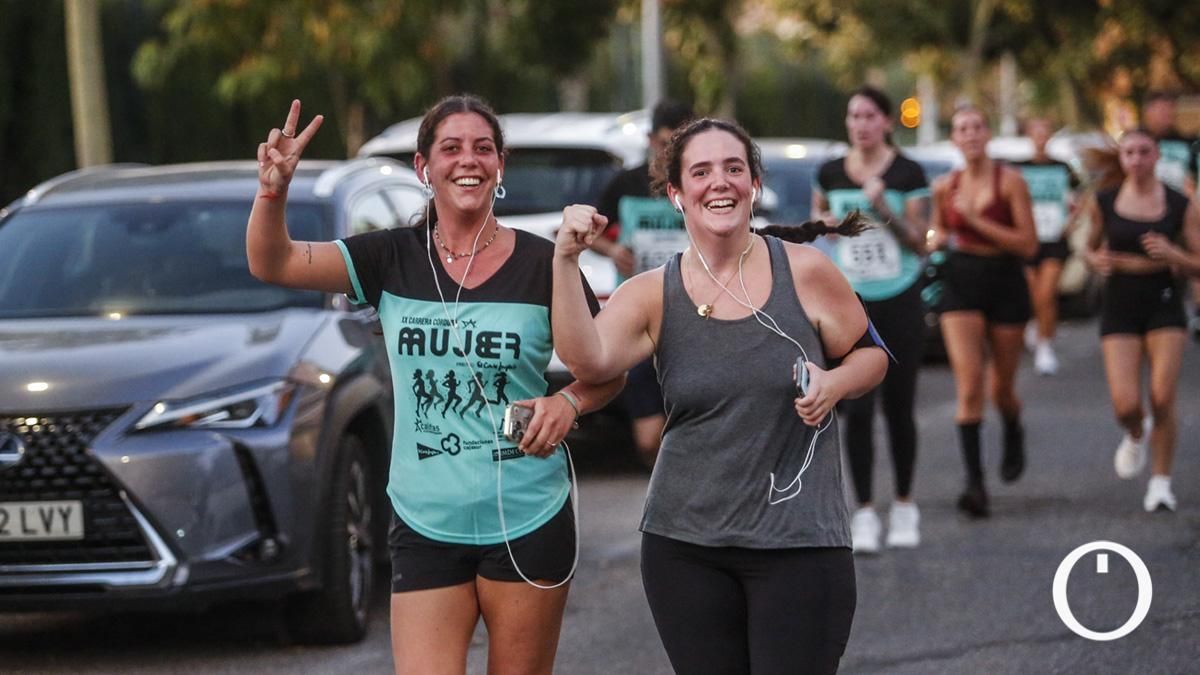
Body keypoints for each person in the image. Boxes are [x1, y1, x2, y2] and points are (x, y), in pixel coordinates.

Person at [246, 96, 624, 675]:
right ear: (424, 169)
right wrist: (273, 192)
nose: (467, 160)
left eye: (483, 148)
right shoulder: (390, 257)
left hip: (527, 516)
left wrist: (567, 402)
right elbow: (273, 262)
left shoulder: (546, 264)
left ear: (500, 167)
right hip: (426, 522)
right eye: (450, 148)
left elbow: (607, 368)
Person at [552, 117, 888, 674]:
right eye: (701, 171)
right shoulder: (652, 294)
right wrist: (564, 260)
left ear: (754, 184)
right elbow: (585, 360)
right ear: (677, 194)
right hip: (684, 547)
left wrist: (833, 384)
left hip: (799, 541)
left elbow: (872, 356)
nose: (720, 182)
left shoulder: (806, 272)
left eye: (734, 168)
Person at [812, 86, 929, 554]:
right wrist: (822, 224)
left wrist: (884, 209)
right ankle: (863, 511)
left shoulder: (907, 172)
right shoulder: (830, 172)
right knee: (855, 408)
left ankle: (904, 503)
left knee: (899, 407)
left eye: (868, 116)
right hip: (849, 300)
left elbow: (922, 241)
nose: (859, 124)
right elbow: (819, 218)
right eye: (853, 115)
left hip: (899, 295)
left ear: (885, 122)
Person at [929, 104, 1038, 518]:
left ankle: (1012, 426)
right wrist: (937, 236)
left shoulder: (1009, 181)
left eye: (976, 127)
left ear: (987, 134)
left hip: (1005, 280)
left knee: (1001, 389)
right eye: (962, 129)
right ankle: (975, 486)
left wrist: (976, 219)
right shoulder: (945, 186)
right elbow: (939, 230)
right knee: (970, 384)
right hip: (961, 280)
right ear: (954, 139)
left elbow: (1027, 245)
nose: (970, 135)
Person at [1083, 128, 1200, 512]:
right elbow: (1088, 247)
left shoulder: (1182, 204)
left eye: (1143, 152)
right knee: (1125, 404)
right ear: (1122, 159)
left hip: (1164, 302)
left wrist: (1172, 254)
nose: (1135, 159)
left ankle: (1161, 484)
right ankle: (1136, 432)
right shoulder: (1104, 200)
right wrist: (1094, 259)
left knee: (1163, 396)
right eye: (1129, 152)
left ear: (1156, 156)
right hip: (1119, 304)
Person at [593, 99, 695, 466]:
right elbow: (587, 232)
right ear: (651, 139)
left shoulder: (695, 183)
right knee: (649, 438)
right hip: (639, 318)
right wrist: (612, 250)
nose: (670, 150)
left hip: (694, 315)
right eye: (666, 141)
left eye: (680, 142)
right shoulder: (625, 183)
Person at [1015, 117, 1081, 376]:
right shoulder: (1018, 167)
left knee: (1046, 293)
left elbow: (1080, 198)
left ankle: (1045, 345)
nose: (1040, 137)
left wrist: (1072, 221)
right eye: (1036, 131)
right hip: (1029, 238)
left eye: (1045, 132)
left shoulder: (1063, 167)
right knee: (1032, 293)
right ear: (1029, 135)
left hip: (1055, 238)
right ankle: (1036, 324)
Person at [1142, 91, 1200, 341]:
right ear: (1148, 112)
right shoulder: (1139, 139)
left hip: (1183, 211)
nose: (1168, 116)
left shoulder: (1187, 142)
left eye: (1171, 111)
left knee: (1190, 256)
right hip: (1147, 212)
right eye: (1162, 110)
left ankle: (1195, 311)